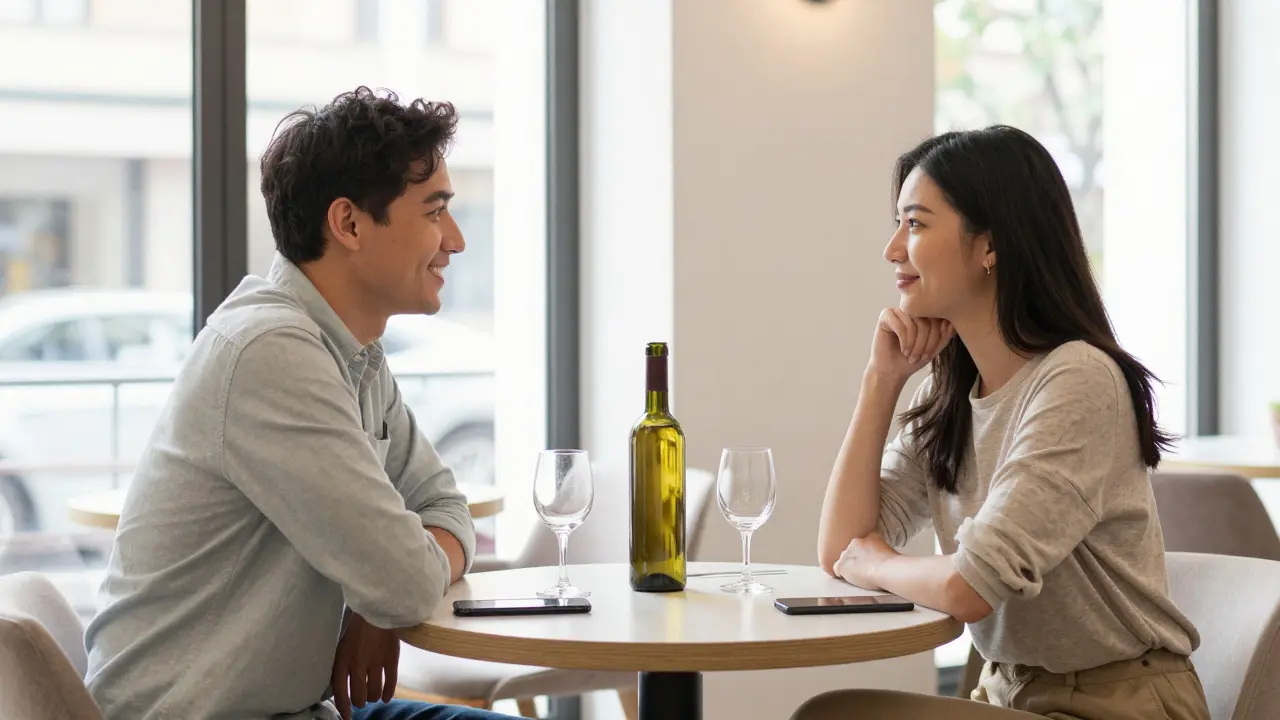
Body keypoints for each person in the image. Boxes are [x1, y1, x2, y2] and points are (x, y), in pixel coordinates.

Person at [85, 87, 517, 720]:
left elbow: (443, 508)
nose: (455, 240)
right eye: (434, 211)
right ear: (348, 224)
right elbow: (402, 583)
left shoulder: (353, 354)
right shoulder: (270, 352)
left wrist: (384, 597)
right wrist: (388, 592)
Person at [809, 126, 1211, 719]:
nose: (893, 248)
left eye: (916, 223)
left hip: (1116, 703)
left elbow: (967, 587)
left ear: (989, 245)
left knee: (838, 715)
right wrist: (881, 382)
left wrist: (877, 565)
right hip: (1006, 693)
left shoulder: (1077, 381)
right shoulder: (951, 394)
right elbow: (840, 547)